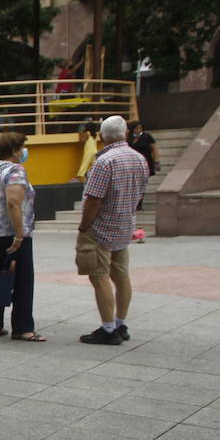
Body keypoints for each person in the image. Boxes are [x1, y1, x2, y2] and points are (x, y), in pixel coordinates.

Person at [77, 114, 150, 345]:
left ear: (101, 136)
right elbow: (139, 194)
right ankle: (121, 323)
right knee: (121, 275)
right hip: (124, 224)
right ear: (125, 134)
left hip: (100, 228)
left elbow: (93, 200)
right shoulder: (139, 159)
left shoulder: (104, 161)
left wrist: (84, 226)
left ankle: (108, 329)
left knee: (98, 276)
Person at [0, 131, 44, 342]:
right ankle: (23, 328)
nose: (24, 152)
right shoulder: (16, 171)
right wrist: (19, 234)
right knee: (23, 279)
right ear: (15, 151)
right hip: (10, 233)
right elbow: (13, 202)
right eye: (22, 147)